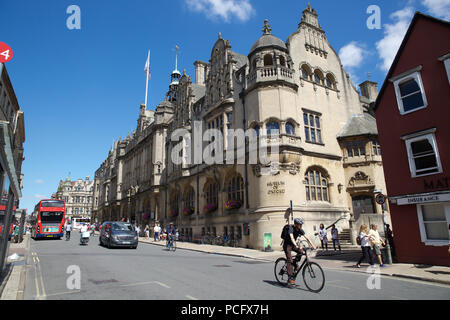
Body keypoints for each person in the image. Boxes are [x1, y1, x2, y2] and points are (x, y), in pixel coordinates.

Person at [282, 218, 316, 287]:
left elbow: (307, 238)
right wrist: (296, 245)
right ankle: (290, 278)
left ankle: (295, 264)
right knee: (289, 260)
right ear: (296, 224)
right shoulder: (291, 228)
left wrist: (313, 246)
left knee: (301, 251)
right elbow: (291, 238)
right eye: (300, 225)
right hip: (287, 245)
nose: (301, 226)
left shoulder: (300, 230)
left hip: (293, 245)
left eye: (301, 225)